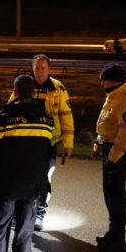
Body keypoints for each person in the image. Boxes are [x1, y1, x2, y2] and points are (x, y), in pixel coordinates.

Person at [0, 74, 54, 252]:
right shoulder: (47, 119)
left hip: (6, 184)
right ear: (34, 92)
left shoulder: (4, 117)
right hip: (33, 186)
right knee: (25, 232)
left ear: (15, 92)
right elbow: (48, 152)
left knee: (0, 229)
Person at [8, 54, 74, 231]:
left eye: (43, 68)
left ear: (49, 69)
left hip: (47, 143)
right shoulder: (24, 85)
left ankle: (39, 214)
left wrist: (68, 143)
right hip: (24, 141)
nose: (39, 72)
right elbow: (10, 110)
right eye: (37, 68)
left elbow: (66, 117)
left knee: (43, 179)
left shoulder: (58, 88)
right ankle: (17, 214)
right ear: (32, 68)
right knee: (21, 177)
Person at [92, 63, 126, 252]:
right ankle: (114, 232)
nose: (102, 83)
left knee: (116, 195)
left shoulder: (125, 100)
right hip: (110, 150)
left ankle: (118, 236)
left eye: (104, 79)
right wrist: (98, 145)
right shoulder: (114, 96)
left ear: (113, 80)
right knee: (110, 193)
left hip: (117, 153)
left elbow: (125, 135)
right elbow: (106, 125)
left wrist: (112, 158)